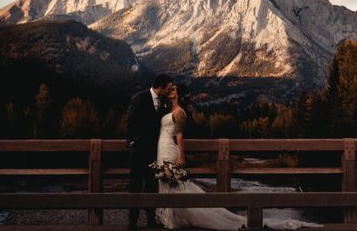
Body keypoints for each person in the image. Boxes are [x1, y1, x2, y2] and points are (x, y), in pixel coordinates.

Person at [156, 84, 322, 230]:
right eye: (171, 89)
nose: (171, 90)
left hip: (171, 150)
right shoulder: (169, 110)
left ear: (179, 95)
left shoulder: (180, 112)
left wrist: (182, 157)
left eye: (174, 89)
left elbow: (179, 136)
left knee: (175, 184)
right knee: (169, 184)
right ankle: (171, 217)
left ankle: (181, 218)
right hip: (163, 149)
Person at [126, 73, 174, 230]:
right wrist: (132, 143)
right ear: (160, 87)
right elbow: (130, 121)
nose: (170, 90)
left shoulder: (165, 102)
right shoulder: (139, 98)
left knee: (152, 185)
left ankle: (151, 221)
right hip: (139, 151)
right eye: (168, 88)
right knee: (135, 186)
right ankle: (132, 222)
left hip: (155, 152)